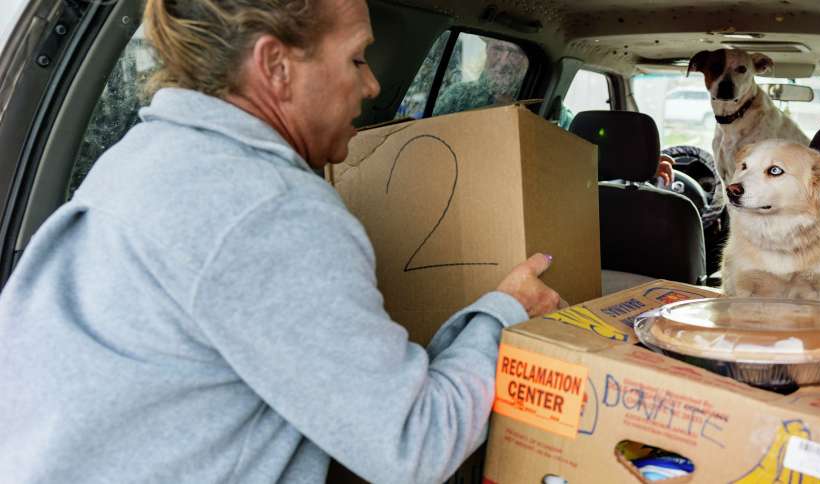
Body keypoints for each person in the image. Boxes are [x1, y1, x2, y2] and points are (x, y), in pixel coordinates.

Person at [0, 0, 563, 483]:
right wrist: (506, 313)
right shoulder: (269, 210)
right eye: (357, 58)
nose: (371, 85)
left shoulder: (139, 158)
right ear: (276, 66)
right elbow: (416, 447)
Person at [433, 38, 528, 115]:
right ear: (486, 49)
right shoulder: (458, 96)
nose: (503, 61)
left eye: (514, 52)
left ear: (526, 59)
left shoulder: (532, 99)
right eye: (497, 49)